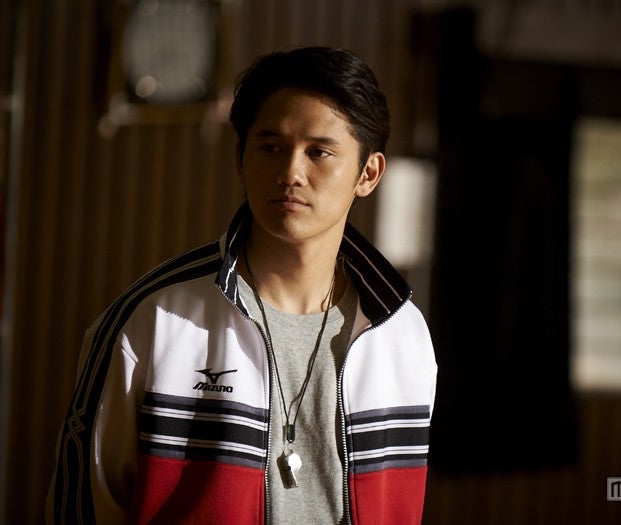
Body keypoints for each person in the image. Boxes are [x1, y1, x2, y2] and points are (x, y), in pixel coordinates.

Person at [45, 46, 438, 524]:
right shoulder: (156, 318)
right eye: (271, 147)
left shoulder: (401, 333)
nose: (290, 173)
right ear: (239, 157)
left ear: (368, 174)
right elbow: (82, 508)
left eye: (319, 152)